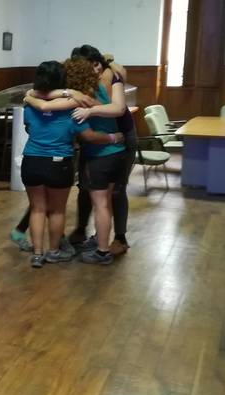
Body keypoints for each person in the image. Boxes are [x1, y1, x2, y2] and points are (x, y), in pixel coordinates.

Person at [21, 61, 122, 267]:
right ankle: (54, 252)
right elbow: (88, 135)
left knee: (37, 209)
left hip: (31, 160)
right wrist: (114, 137)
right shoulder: (72, 107)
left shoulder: (29, 105)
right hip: (59, 163)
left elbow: (29, 128)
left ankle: (37, 254)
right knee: (57, 211)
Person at [67, 46, 136, 257]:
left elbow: (118, 108)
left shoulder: (111, 74)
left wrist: (90, 108)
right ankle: (88, 232)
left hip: (120, 138)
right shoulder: (84, 80)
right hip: (99, 142)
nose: (94, 70)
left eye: (96, 64)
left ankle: (119, 238)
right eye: (88, 66)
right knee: (88, 189)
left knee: (114, 192)